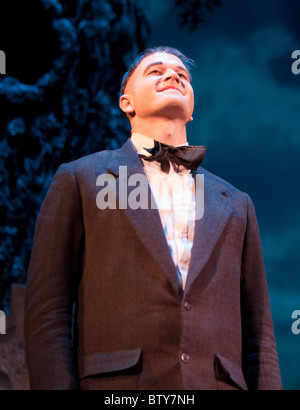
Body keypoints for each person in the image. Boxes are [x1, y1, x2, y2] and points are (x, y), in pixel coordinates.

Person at [24, 46, 282, 390]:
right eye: (155, 71)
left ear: (191, 109)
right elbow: (48, 313)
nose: (173, 75)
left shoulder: (237, 203)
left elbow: (260, 336)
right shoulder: (81, 178)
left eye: (182, 75)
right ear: (126, 102)